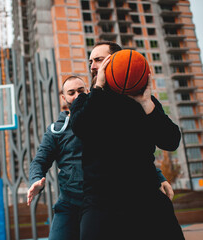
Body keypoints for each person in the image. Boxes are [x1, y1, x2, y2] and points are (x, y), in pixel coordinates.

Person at [27, 75, 175, 239]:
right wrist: (36, 180)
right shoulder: (56, 130)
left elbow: (128, 154)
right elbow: (40, 160)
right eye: (71, 92)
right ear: (64, 97)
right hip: (69, 203)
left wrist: (158, 176)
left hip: (101, 200)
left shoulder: (98, 121)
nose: (76, 95)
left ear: (88, 91)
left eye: (80, 90)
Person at [70, 41, 184, 239]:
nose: (93, 66)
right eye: (91, 62)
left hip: (145, 196)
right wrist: (98, 88)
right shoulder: (86, 100)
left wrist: (147, 103)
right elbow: (81, 127)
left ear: (117, 61)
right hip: (100, 201)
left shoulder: (142, 100)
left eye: (98, 60)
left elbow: (171, 141)